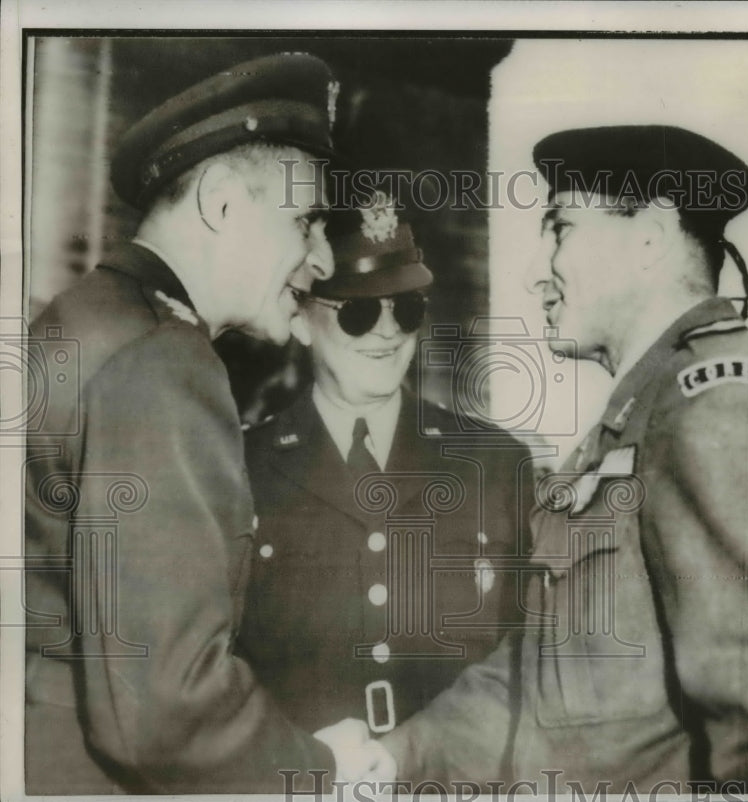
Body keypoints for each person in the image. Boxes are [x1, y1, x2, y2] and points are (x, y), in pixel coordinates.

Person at [23, 53, 394, 794]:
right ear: (223, 201)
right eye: (307, 220)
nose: (322, 260)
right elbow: (163, 712)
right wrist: (321, 772)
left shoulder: (83, 321)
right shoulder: (165, 363)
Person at [382, 125, 748, 794]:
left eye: (561, 227)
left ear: (650, 237)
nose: (538, 270)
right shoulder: (633, 420)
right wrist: (390, 760)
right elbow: (547, 685)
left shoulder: (715, 403)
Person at [238, 194, 530, 740]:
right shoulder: (241, 469)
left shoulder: (494, 463)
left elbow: (526, 657)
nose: (388, 331)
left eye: (408, 308)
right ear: (300, 319)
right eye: (358, 311)